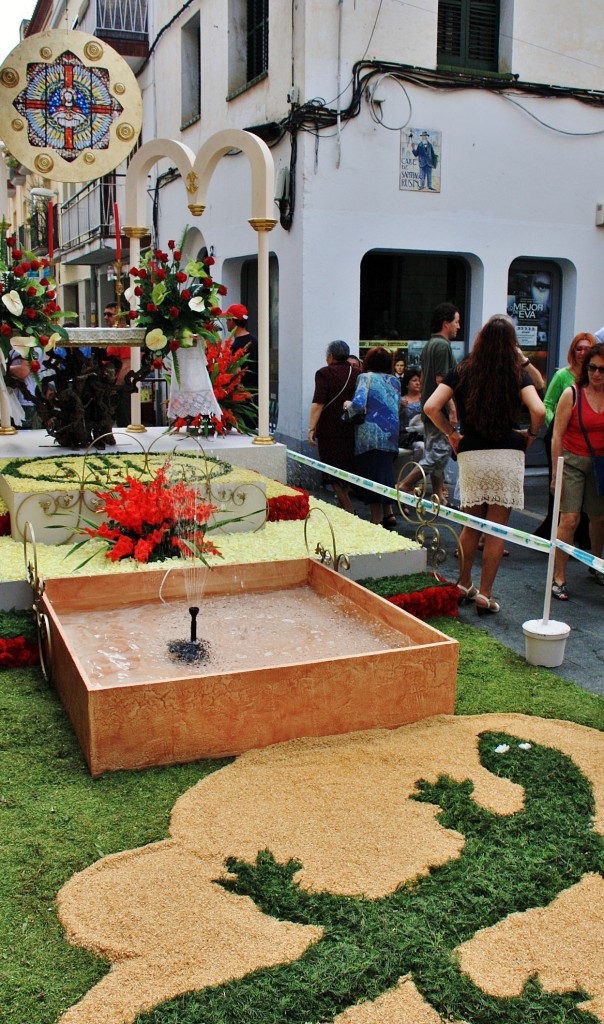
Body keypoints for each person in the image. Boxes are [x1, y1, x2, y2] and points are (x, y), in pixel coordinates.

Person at [424, 314, 545, 615]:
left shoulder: (464, 369)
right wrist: (529, 435)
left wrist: (452, 434)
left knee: (471, 524)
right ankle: (486, 593)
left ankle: (463, 583)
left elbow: (430, 407)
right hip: (508, 453)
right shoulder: (517, 373)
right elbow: (539, 410)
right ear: (511, 345)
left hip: (472, 452)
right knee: (496, 528)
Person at [550, 342, 604, 599]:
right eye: (592, 368)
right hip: (572, 461)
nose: (596, 374)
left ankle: (596, 563)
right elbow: (557, 436)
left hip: (600, 464)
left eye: (602, 370)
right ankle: (559, 576)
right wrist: (555, 472)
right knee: (570, 519)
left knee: (599, 517)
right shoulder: (572, 393)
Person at [535, 332, 596, 541]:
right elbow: (548, 404)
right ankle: (557, 536)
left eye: (587, 349)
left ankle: (584, 538)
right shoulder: (563, 376)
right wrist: (556, 423)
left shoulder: (597, 380)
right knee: (561, 492)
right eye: (578, 348)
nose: (582, 353)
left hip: (590, 446)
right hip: (561, 439)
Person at [398, 302, 460, 503]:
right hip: (438, 410)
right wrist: (452, 410)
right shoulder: (442, 346)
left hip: (429, 409)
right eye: (456, 322)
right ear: (446, 323)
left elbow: (425, 378)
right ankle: (405, 485)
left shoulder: (430, 345)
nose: (458, 326)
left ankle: (438, 497)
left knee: (436, 453)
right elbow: (442, 381)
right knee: (438, 453)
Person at [343, 346, 400, 527]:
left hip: (370, 434)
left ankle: (376, 519)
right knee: (385, 473)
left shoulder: (364, 378)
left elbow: (359, 404)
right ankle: (389, 513)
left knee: (372, 479)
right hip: (390, 434)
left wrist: (347, 406)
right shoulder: (395, 381)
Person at [308, 339, 360, 513]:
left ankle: (347, 507)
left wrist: (311, 427)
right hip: (352, 428)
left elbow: (318, 403)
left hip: (330, 429)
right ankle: (342, 505)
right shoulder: (358, 373)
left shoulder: (324, 373)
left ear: (330, 356)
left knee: (332, 469)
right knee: (347, 467)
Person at [103, 302, 132, 427]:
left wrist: (117, 388)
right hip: (111, 385)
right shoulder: (114, 334)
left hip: (120, 387)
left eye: (109, 314)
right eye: (105, 314)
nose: (105, 317)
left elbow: (127, 365)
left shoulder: (124, 335)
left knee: (123, 421)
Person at [225, 303, 258, 394]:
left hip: (242, 397)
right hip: (257, 394)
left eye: (227, 319)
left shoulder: (236, 346)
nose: (226, 322)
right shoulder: (255, 340)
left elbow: (235, 374)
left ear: (232, 320)